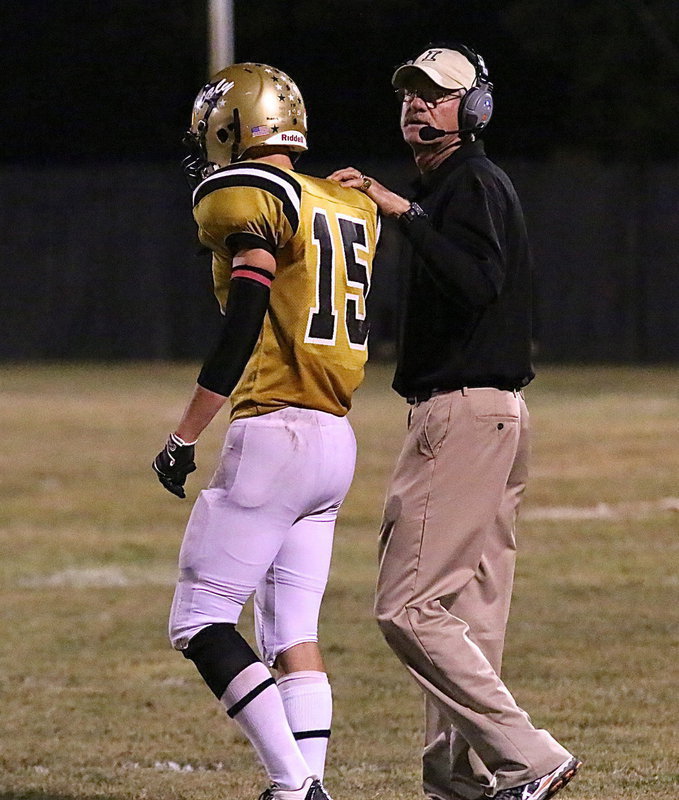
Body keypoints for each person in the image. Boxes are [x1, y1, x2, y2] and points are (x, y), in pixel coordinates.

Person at [329, 44, 581, 800]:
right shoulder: (454, 186)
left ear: (473, 110)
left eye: (436, 94)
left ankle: (528, 758)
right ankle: (463, 784)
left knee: (406, 605)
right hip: (493, 416)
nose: (417, 103)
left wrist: (402, 211)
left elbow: (477, 283)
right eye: (408, 91)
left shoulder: (465, 183)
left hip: (465, 415)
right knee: (465, 618)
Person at [152, 62, 379, 800]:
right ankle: (308, 784)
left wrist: (185, 433)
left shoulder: (248, 193)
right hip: (334, 439)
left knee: (199, 621)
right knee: (292, 640)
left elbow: (249, 302)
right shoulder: (348, 203)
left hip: (275, 431)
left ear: (231, 127)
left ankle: (291, 787)